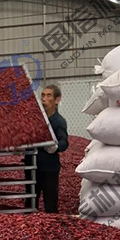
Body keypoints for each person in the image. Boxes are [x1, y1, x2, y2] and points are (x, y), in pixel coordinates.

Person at [25, 85, 69, 213]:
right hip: (32, 165)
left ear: (57, 100)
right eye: (43, 95)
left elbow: (64, 142)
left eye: (49, 95)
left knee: (50, 203)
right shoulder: (34, 119)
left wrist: (56, 147)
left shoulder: (58, 121)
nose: (44, 98)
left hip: (49, 167)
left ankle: (51, 222)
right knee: (30, 201)